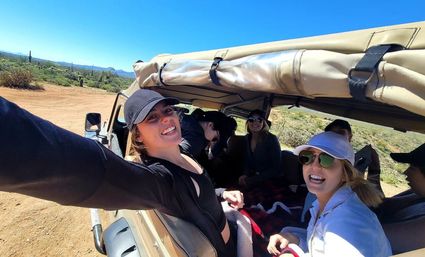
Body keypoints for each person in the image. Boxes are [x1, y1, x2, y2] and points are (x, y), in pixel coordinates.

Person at [0, 89, 244, 257]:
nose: (166, 120)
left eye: (168, 111)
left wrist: (222, 193)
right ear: (137, 134)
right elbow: (84, 167)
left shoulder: (184, 151)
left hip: (229, 231)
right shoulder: (159, 180)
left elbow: (197, 188)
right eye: (152, 118)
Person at [267, 132, 392, 257]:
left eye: (326, 159)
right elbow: (320, 248)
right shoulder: (325, 206)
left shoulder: (347, 221)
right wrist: (295, 238)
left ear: (345, 173)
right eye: (308, 157)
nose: (314, 166)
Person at [376, 143, 425, 254]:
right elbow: (381, 205)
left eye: (412, 167)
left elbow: (371, 235)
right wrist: (374, 172)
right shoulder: (418, 196)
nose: (405, 172)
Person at [324, 119, 383, 193]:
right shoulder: (318, 156)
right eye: (332, 134)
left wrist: (374, 167)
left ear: (350, 136)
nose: (337, 137)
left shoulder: (359, 158)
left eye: (341, 133)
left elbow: (376, 196)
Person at [238, 109, 281, 188]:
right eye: (251, 120)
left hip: (268, 180)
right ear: (247, 122)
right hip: (252, 178)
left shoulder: (271, 139)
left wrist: (252, 180)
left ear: (264, 123)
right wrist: (245, 174)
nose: (255, 123)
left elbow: (276, 168)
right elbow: (247, 160)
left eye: (259, 120)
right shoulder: (247, 138)